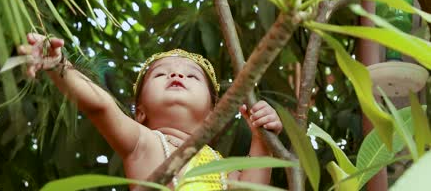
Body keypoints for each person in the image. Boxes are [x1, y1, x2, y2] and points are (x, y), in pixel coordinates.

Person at [18, 33, 283, 190]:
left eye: (192, 76)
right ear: (140, 112)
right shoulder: (143, 144)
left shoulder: (225, 169)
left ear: (215, 112)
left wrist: (262, 142)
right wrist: (60, 66)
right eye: (161, 74)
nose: (178, 74)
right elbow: (101, 106)